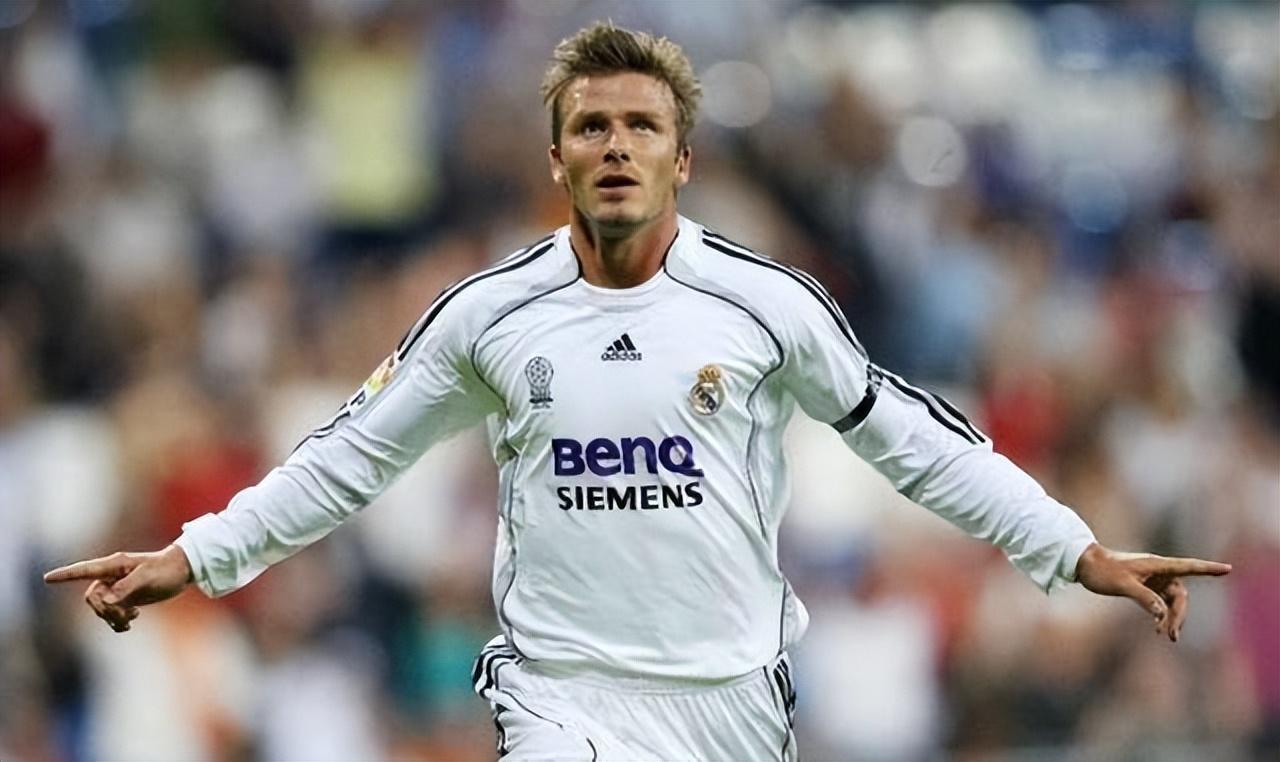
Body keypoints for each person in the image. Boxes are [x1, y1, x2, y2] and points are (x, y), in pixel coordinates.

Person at [45, 22, 1231, 761]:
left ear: (682, 157)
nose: (615, 145)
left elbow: (916, 443)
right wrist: (197, 555)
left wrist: (1071, 549)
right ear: (556, 157)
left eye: (640, 127)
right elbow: (349, 456)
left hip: (729, 702)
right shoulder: (487, 314)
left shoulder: (765, 304)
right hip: (561, 696)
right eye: (591, 127)